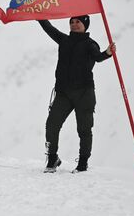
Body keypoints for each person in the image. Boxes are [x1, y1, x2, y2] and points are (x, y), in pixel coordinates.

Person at [39, 15, 116, 173]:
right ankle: (53, 158)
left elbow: (98, 57)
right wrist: (38, 15)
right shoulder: (64, 39)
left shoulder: (90, 44)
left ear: (85, 25)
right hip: (63, 93)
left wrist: (108, 53)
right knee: (52, 125)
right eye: (72, 22)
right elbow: (49, 28)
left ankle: (82, 163)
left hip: (84, 93)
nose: (74, 25)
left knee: (84, 129)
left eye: (78, 22)